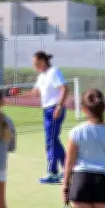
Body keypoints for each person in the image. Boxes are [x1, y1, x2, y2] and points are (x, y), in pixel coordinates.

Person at [25, 51, 69, 184]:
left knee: (50, 141)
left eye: (35, 62)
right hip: (46, 111)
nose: (34, 65)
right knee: (53, 140)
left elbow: (65, 88)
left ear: (43, 60)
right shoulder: (41, 76)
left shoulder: (54, 72)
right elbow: (35, 93)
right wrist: (15, 95)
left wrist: (59, 106)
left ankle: (53, 172)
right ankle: (68, 169)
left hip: (54, 109)